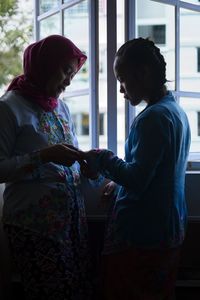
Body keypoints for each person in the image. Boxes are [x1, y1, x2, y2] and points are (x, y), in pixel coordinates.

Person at [81, 38, 191, 300]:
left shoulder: (152, 118)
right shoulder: (176, 111)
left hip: (143, 232)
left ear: (141, 73)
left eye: (122, 79)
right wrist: (118, 181)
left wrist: (102, 158)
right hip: (169, 226)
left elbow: (139, 179)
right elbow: (157, 171)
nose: (120, 89)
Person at [0, 34, 95, 300]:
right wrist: (42, 156)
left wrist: (85, 165)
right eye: (65, 70)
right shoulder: (9, 108)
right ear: (45, 65)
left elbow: (67, 153)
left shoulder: (61, 108)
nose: (68, 80)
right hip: (34, 226)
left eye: (73, 74)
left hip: (71, 222)